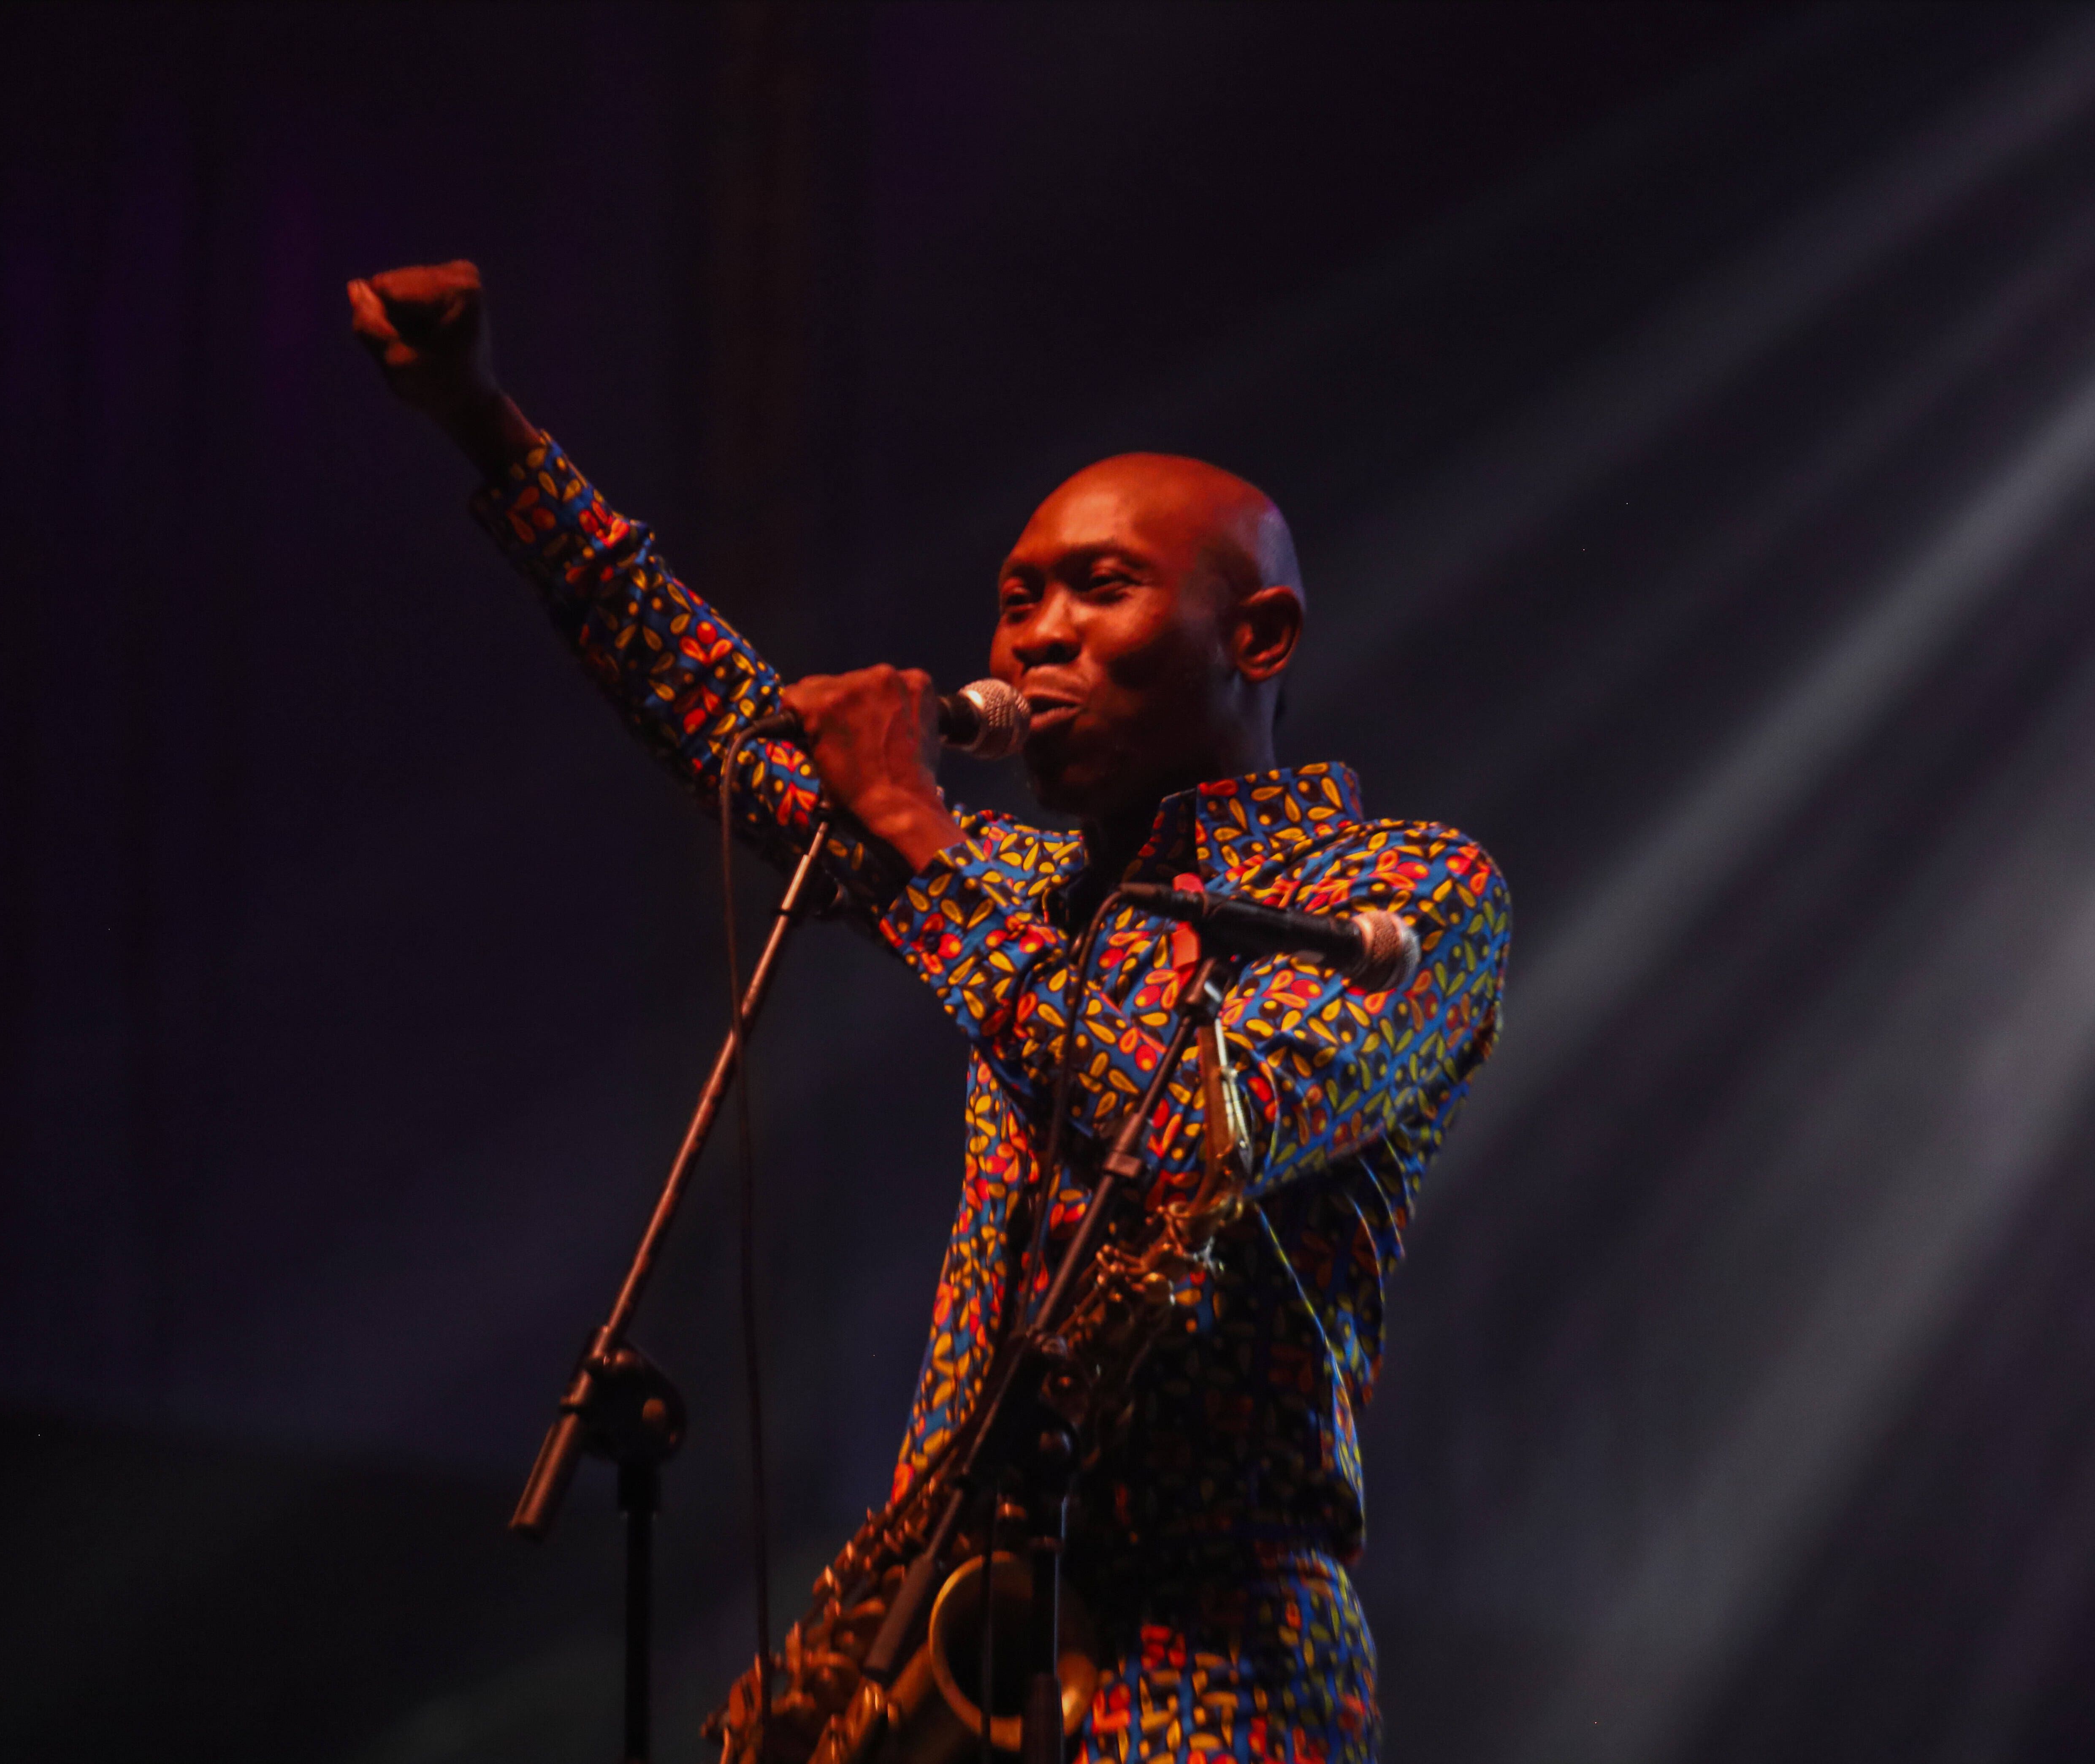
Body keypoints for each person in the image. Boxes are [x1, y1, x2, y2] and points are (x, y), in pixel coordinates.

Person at [350, 260, 1510, 1764]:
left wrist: (919, 840)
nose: (1035, 636)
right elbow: (716, 712)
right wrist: (481, 423)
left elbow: (1187, 1137)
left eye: (1101, 588)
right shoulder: (1014, 884)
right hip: (962, 1606)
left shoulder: (1404, 892)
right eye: (1018, 596)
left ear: (1260, 637)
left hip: (1216, 1637)